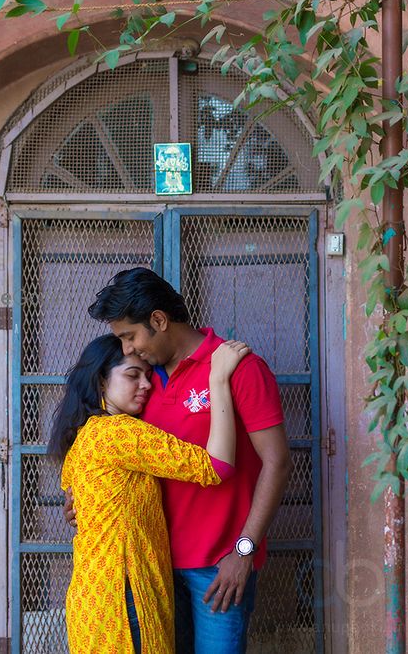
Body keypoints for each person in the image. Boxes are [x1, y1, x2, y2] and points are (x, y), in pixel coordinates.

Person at [70, 267, 292, 653]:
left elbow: (277, 463)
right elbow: (122, 464)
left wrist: (244, 550)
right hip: (151, 570)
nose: (126, 349)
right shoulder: (141, 383)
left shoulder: (239, 369)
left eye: (130, 336)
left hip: (218, 570)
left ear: (158, 320)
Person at [51, 333, 251, 653]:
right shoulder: (120, 432)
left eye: (147, 375)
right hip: (123, 599)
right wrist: (219, 378)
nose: (145, 385)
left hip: (92, 601)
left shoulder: (84, 435)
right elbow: (216, 467)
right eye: (132, 375)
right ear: (101, 382)